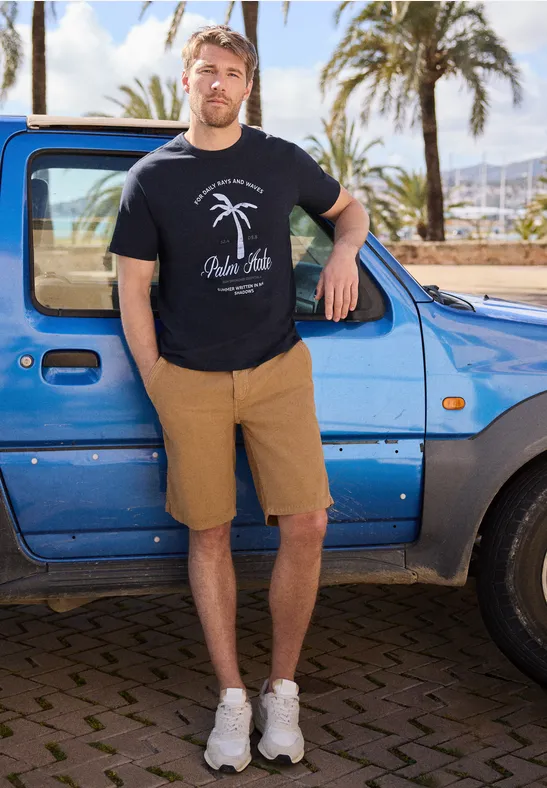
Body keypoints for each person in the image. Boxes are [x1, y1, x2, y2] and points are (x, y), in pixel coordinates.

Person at [109, 23, 369, 774]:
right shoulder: (152, 178)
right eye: (205, 70)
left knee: (308, 523)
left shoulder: (279, 159)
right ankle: (231, 697)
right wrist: (157, 379)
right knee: (210, 532)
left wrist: (344, 251)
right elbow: (132, 289)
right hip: (188, 379)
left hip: (278, 368)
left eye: (230, 72)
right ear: (185, 80)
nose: (217, 83)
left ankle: (281, 690)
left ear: (247, 87)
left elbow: (348, 211)